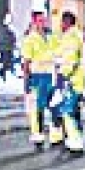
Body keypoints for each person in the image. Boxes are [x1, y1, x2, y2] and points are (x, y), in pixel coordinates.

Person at [50, 11, 85, 159]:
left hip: (71, 81)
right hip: (74, 80)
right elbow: (58, 53)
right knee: (70, 112)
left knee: (68, 113)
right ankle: (72, 141)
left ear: (66, 22)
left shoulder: (72, 37)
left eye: (62, 22)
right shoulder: (72, 36)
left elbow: (70, 60)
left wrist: (64, 76)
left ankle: (75, 145)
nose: (60, 25)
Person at [21, 11, 56, 151]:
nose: (43, 23)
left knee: (54, 106)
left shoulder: (50, 37)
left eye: (44, 20)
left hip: (51, 75)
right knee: (37, 109)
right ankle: (38, 137)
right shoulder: (30, 39)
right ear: (34, 22)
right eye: (40, 21)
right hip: (37, 76)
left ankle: (56, 137)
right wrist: (26, 80)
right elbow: (26, 62)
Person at [0, 14, 18, 81]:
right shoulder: (1, 28)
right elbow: (1, 38)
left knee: (7, 61)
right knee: (5, 61)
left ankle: (4, 73)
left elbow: (12, 37)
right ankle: (3, 73)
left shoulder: (5, 28)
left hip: (6, 47)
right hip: (5, 47)